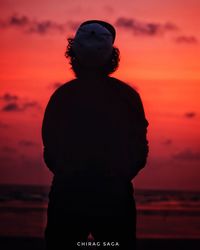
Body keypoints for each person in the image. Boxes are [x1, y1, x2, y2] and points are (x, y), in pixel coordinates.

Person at [42, 20, 148, 250]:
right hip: (114, 197)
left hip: (68, 195)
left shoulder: (62, 97)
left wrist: (69, 174)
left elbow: (49, 150)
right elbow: (140, 149)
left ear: (74, 55)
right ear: (112, 57)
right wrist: (118, 177)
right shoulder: (127, 97)